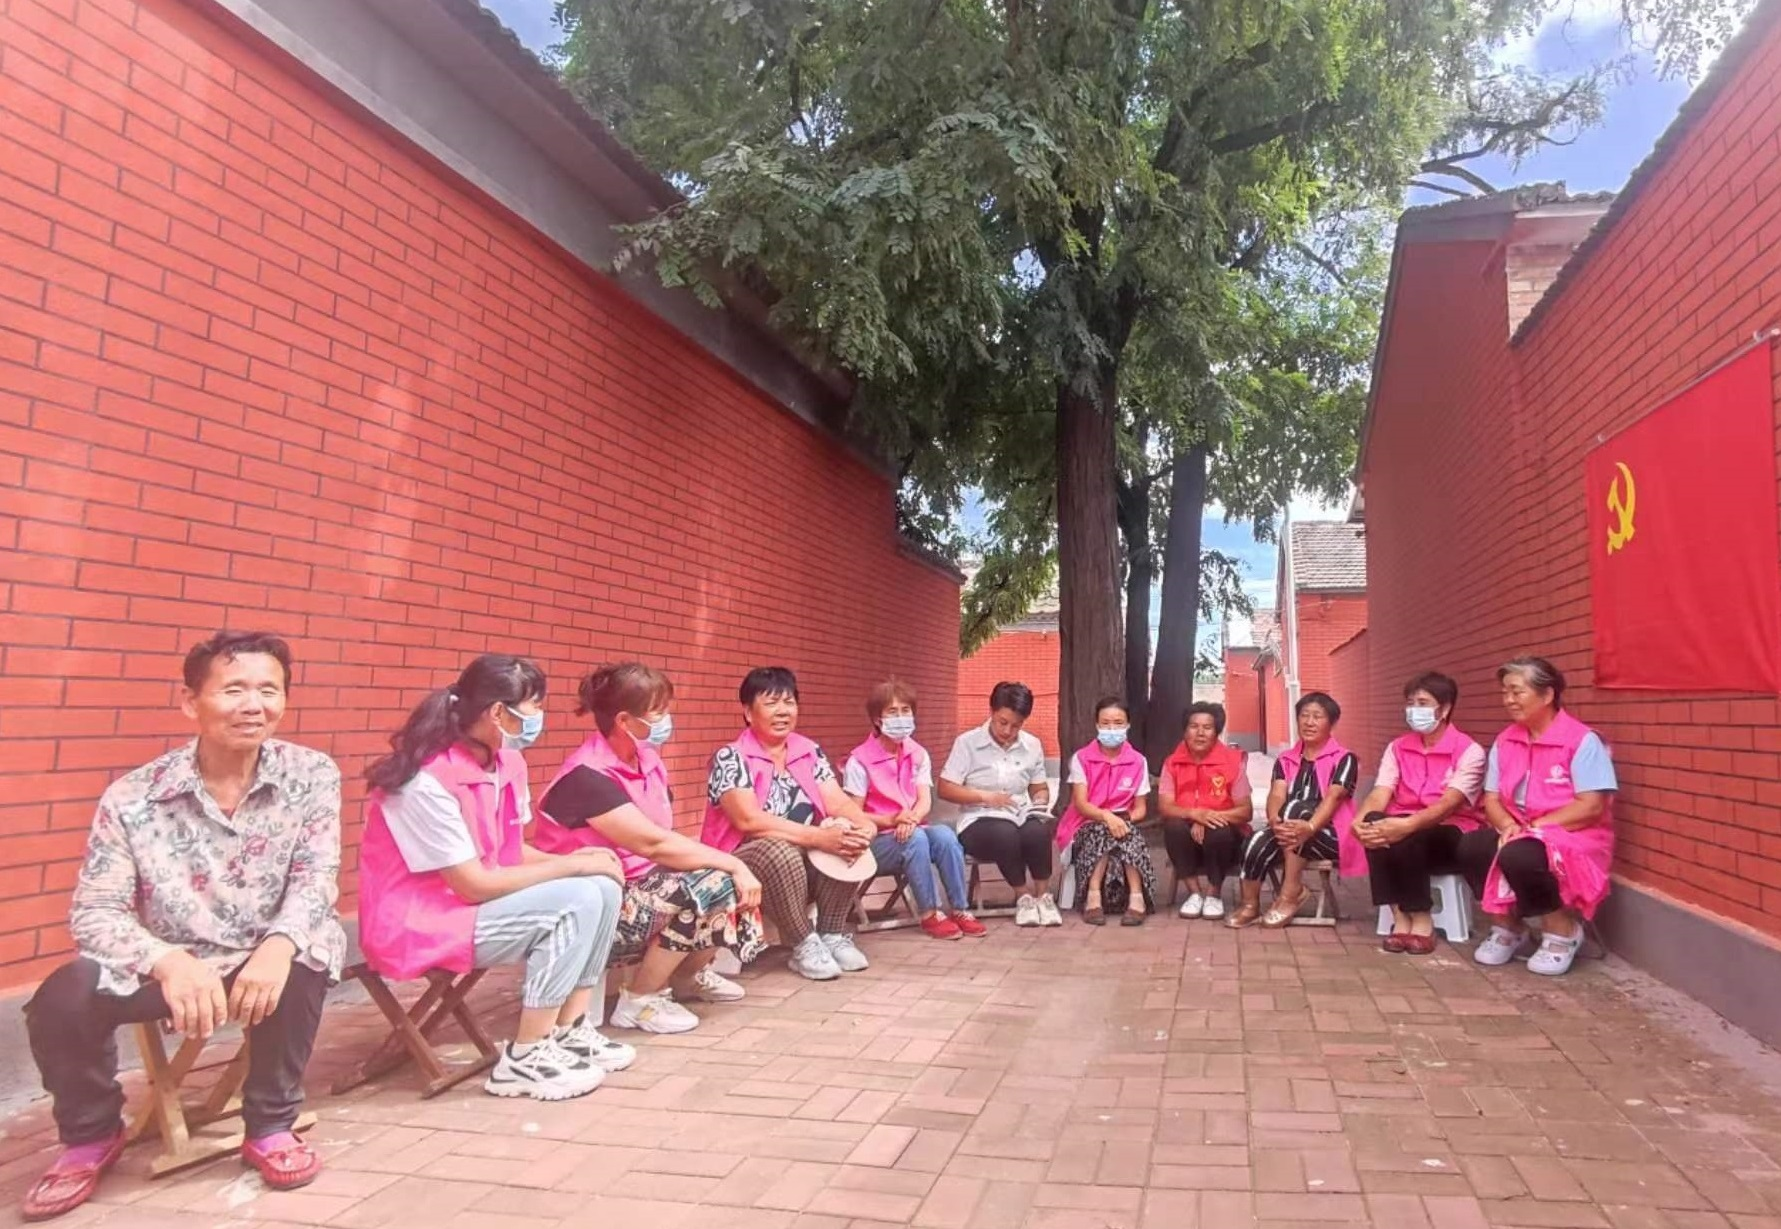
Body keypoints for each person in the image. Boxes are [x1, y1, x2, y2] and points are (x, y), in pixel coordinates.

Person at [22, 632, 342, 1221]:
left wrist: (277, 944)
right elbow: (95, 909)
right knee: (64, 994)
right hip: (171, 962)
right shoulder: (133, 797)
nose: (254, 705)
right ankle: (91, 1134)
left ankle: (271, 1124)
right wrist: (167, 961)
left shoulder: (311, 775)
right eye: (234, 690)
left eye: (269, 690)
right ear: (191, 702)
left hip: (264, 952)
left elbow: (316, 878)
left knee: (306, 954)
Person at [360, 654, 634, 1102]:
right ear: (497, 713)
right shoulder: (424, 781)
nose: (540, 718)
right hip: (420, 922)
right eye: (535, 707)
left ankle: (569, 1029)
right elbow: (472, 883)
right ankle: (526, 1056)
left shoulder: (507, 764)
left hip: (473, 905)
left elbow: (509, 852)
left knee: (602, 885)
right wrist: (571, 865)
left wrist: (578, 859)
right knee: (579, 896)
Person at [533, 662, 766, 1034]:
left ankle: (687, 977)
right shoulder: (586, 776)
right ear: (625, 721)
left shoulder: (648, 761)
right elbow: (653, 843)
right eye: (659, 712)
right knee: (716, 882)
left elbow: (663, 836)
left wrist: (727, 865)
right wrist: (732, 865)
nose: (666, 720)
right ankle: (639, 1000)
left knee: (729, 880)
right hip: (594, 900)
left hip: (641, 885)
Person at [700, 666, 879, 981]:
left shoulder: (807, 751)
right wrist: (818, 837)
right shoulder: (731, 757)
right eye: (771, 703)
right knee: (779, 849)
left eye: (789, 702)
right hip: (742, 859)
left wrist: (863, 824)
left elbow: (836, 801)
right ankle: (803, 943)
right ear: (748, 712)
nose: (783, 711)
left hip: (802, 854)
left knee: (845, 834)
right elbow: (748, 820)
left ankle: (831, 933)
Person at [1473, 657, 1616, 976]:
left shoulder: (1583, 741)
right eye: (1505, 692)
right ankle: (1509, 927)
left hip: (1573, 834)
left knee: (1521, 854)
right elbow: (1491, 798)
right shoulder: (1505, 740)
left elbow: (1591, 806)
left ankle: (1562, 930)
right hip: (1520, 829)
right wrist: (1508, 825)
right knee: (1474, 846)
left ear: (1547, 694)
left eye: (1517, 691)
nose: (1508, 700)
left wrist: (1535, 828)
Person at [1352, 672, 1496, 955]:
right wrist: (1359, 821)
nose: (1414, 710)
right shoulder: (1397, 748)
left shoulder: (1469, 751)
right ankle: (1399, 915)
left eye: (1422, 703)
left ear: (1445, 709)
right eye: (1410, 703)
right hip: (1403, 827)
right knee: (1373, 824)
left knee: (1410, 832)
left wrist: (1407, 825)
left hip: (1451, 832)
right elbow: (1381, 792)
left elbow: (1448, 805)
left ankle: (1421, 918)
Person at [842, 681, 986, 941]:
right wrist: (892, 819)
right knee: (916, 838)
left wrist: (911, 819)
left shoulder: (918, 754)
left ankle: (960, 909)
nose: (901, 717)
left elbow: (924, 800)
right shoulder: (859, 761)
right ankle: (930, 913)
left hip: (910, 830)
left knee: (944, 835)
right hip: (875, 841)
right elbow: (853, 813)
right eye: (892, 712)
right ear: (877, 719)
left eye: (905, 710)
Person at [1228, 692, 1361, 929]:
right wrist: (1274, 820)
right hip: (1290, 830)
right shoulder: (1286, 759)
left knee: (1295, 807)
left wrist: (1310, 826)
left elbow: (1334, 797)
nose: (1309, 722)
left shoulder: (1344, 759)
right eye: (1304, 715)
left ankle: (1291, 893)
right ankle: (1250, 905)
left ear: (1331, 723)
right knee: (1256, 840)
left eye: (1317, 717)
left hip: (1330, 834)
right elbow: (1277, 794)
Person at [937, 682, 1062, 928]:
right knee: (1005, 834)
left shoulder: (1031, 745)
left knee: (1037, 831)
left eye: (1016, 725)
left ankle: (1043, 898)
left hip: (1018, 814)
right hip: (978, 819)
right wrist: (985, 796)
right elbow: (945, 788)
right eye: (1002, 722)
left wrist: (1040, 800)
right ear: (992, 711)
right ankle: (1023, 897)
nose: (1008, 731)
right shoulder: (968, 743)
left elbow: (1038, 786)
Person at [1057, 697, 1158, 926]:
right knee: (1103, 830)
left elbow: (1141, 809)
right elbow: (1081, 804)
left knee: (1124, 832)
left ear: (1128, 725)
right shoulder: (1081, 758)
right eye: (1105, 723)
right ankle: (1094, 895)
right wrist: (1107, 817)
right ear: (1096, 725)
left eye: (1118, 723)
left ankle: (1135, 898)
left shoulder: (1138, 762)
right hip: (1083, 823)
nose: (1112, 728)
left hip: (1123, 821)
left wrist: (1122, 819)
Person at [1157, 702, 1252, 921]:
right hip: (1187, 838)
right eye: (1194, 726)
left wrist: (1208, 817)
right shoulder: (1172, 763)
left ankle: (1213, 894)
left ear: (1217, 732)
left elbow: (1245, 811)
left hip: (1225, 842)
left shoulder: (1232, 762)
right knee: (1173, 825)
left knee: (1218, 829)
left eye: (1207, 727)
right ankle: (1194, 894)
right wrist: (1195, 814)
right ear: (1184, 731)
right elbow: (1165, 806)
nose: (1200, 733)